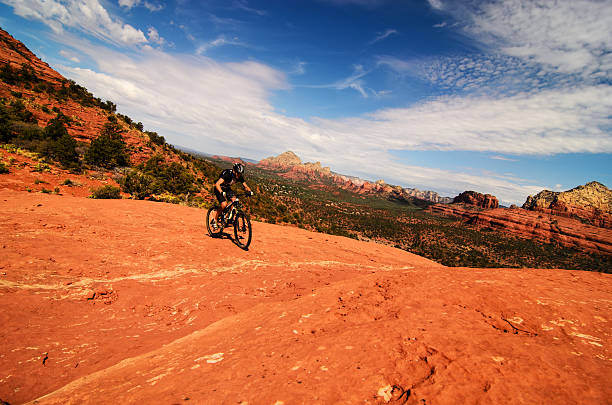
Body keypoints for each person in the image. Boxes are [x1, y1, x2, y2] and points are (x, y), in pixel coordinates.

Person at [212, 162, 253, 229]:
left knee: (235, 200)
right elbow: (217, 184)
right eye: (238, 173)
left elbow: (245, 186)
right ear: (234, 171)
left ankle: (229, 218)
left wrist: (249, 191)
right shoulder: (227, 174)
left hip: (227, 189)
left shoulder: (239, 177)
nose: (239, 175)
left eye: (240, 174)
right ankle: (215, 220)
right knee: (224, 205)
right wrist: (221, 192)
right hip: (219, 189)